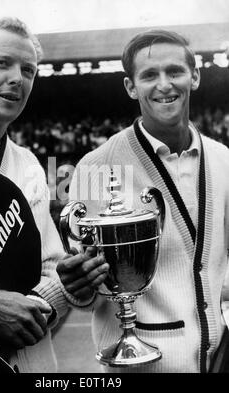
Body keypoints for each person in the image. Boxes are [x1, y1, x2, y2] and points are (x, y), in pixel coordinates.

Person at [0, 17, 108, 373]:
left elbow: (51, 271)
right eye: (1, 63)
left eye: (28, 69)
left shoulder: (27, 164)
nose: (17, 78)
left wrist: (62, 288)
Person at [57, 30, 229, 373]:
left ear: (194, 77)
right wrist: (78, 282)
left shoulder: (224, 158)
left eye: (175, 71)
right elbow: (84, 285)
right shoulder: (94, 166)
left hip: (218, 360)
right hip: (142, 367)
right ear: (131, 87)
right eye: (149, 75)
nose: (164, 85)